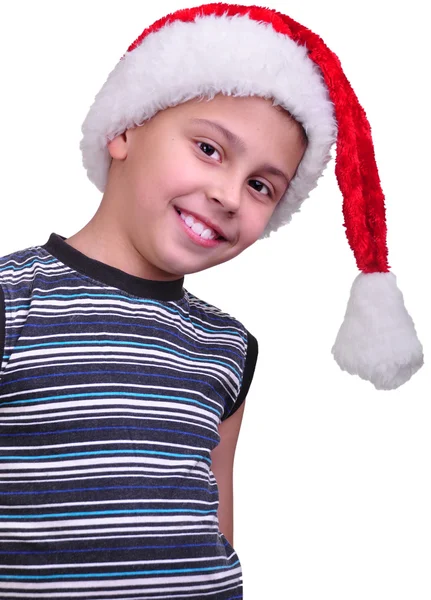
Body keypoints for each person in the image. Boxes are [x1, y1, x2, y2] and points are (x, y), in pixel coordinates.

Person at [0, 2, 423, 598]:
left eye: (260, 186)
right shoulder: (15, 300)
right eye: (209, 149)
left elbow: (215, 520)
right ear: (125, 128)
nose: (228, 194)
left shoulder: (226, 346)